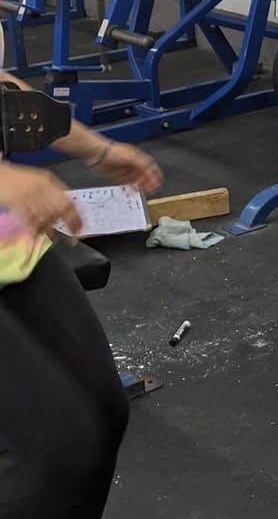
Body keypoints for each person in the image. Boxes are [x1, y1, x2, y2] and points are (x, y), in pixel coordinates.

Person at [0, 65, 163, 519]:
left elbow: (2, 89)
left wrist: (98, 149)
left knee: (106, 411)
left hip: (10, 244)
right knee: (52, 455)